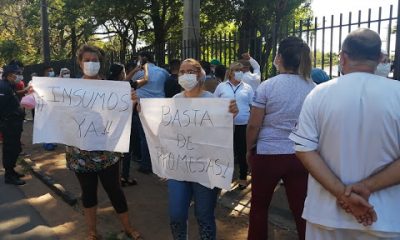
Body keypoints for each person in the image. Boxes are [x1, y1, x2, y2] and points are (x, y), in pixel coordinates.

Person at [289, 28, 400, 239]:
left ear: (343, 56)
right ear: (380, 58)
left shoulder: (319, 94)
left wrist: (342, 193)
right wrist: (367, 187)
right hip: (387, 219)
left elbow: (304, 149)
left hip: (326, 216)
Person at [132, 58, 237, 240]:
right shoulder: (174, 101)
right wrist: (142, 108)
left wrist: (230, 115)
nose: (185, 75)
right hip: (179, 169)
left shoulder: (213, 102)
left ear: (200, 75)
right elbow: (162, 129)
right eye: (182, 72)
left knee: (204, 216)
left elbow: (223, 137)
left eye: (191, 71)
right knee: (177, 215)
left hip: (206, 169)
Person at [66, 45, 142, 240]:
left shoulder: (113, 88)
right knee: (88, 192)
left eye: (95, 60)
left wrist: (133, 101)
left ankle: (127, 227)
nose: (91, 63)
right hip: (80, 151)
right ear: (80, 62)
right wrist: (41, 95)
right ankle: (92, 231)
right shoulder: (70, 88)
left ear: (101, 63)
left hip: (106, 150)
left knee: (114, 190)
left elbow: (126, 113)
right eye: (87, 60)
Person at [246, 36, 315, 240]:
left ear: (279, 58)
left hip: (268, 154)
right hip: (301, 156)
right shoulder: (313, 87)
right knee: (302, 210)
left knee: (259, 207)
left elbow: (253, 124)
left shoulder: (267, 86)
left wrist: (249, 149)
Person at [214, 62, 254, 189]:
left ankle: (242, 177)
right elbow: (214, 104)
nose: (240, 73)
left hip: (243, 124)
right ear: (231, 72)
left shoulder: (247, 87)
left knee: (242, 152)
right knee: (225, 151)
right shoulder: (221, 86)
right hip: (225, 124)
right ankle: (223, 176)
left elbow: (253, 106)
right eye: (238, 70)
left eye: (242, 70)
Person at [131, 51, 169, 174]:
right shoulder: (163, 72)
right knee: (158, 135)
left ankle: (146, 165)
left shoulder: (139, 73)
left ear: (143, 59)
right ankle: (160, 164)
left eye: (138, 59)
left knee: (144, 137)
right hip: (160, 106)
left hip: (143, 106)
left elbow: (131, 83)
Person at [0, 63, 26, 185]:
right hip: (9, 124)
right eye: (18, 73)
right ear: (10, 75)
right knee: (10, 149)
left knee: (15, 148)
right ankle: (9, 176)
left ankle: (11, 171)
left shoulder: (10, 86)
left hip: (14, 124)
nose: (19, 76)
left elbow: (12, 103)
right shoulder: (3, 87)